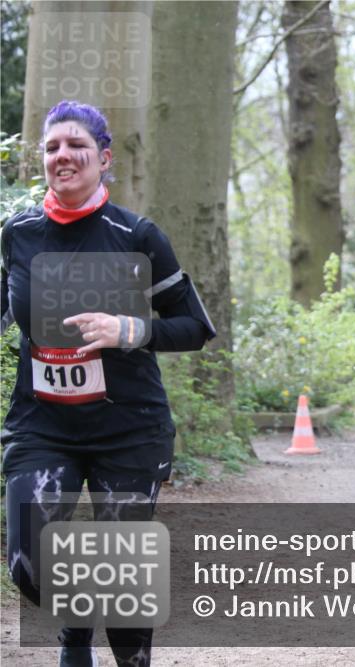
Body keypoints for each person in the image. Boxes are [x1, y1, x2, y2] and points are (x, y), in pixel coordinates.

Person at [1, 101, 215, 667]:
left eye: (75, 146)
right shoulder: (18, 233)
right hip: (42, 425)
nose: (62, 156)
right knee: (27, 563)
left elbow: (196, 326)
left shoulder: (136, 235)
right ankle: (76, 622)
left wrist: (129, 329)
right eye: (51, 148)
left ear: (103, 158)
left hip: (129, 428)